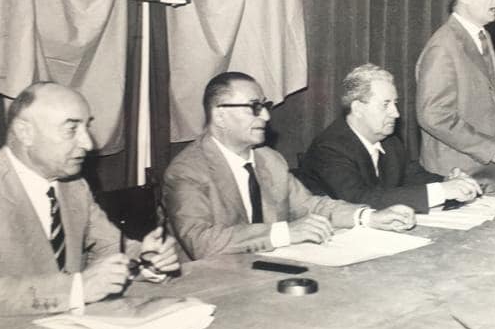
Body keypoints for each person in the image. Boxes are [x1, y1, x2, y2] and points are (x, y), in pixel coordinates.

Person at [0, 82, 180, 319]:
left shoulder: (73, 185)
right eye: (71, 130)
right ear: (25, 132)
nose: (88, 144)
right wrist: (75, 289)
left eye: (86, 128)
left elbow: (111, 248)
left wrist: (147, 258)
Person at [161, 72, 417, 261]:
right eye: (254, 107)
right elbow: (202, 243)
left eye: (265, 106)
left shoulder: (269, 160)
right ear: (220, 115)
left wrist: (369, 217)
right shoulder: (187, 170)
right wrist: (285, 233)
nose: (266, 116)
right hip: (209, 285)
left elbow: (311, 205)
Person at [298, 64, 482, 213]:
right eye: (385, 104)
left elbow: (412, 176)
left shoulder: (389, 140)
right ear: (358, 108)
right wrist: (441, 191)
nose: (395, 113)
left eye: (395, 103)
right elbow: (359, 199)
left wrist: (448, 182)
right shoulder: (329, 148)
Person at [415, 0, 495, 192]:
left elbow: (484, 98)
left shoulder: (482, 36)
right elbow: (433, 115)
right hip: (458, 176)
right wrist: (487, 148)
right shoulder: (443, 46)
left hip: (484, 174)